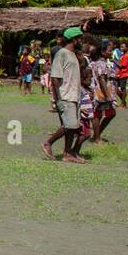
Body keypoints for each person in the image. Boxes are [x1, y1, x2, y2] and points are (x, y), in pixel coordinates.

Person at [42, 28, 85, 162]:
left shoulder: (72, 54)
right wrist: (58, 98)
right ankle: (48, 143)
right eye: (80, 39)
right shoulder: (62, 54)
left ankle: (68, 154)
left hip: (74, 95)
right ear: (74, 39)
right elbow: (55, 78)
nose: (81, 42)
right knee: (69, 125)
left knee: (72, 127)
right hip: (65, 95)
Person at [88, 41, 117, 142]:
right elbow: (101, 79)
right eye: (110, 50)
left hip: (103, 91)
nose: (111, 52)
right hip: (101, 92)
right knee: (97, 114)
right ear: (103, 52)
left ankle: (97, 135)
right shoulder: (101, 64)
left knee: (109, 113)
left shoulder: (103, 63)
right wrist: (108, 95)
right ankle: (97, 138)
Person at [115, 39, 128, 107]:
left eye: (123, 47)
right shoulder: (123, 55)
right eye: (121, 47)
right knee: (116, 88)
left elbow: (122, 66)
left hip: (124, 74)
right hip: (119, 74)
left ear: (127, 48)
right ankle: (123, 102)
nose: (121, 48)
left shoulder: (126, 56)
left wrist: (114, 61)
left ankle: (123, 103)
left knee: (123, 88)